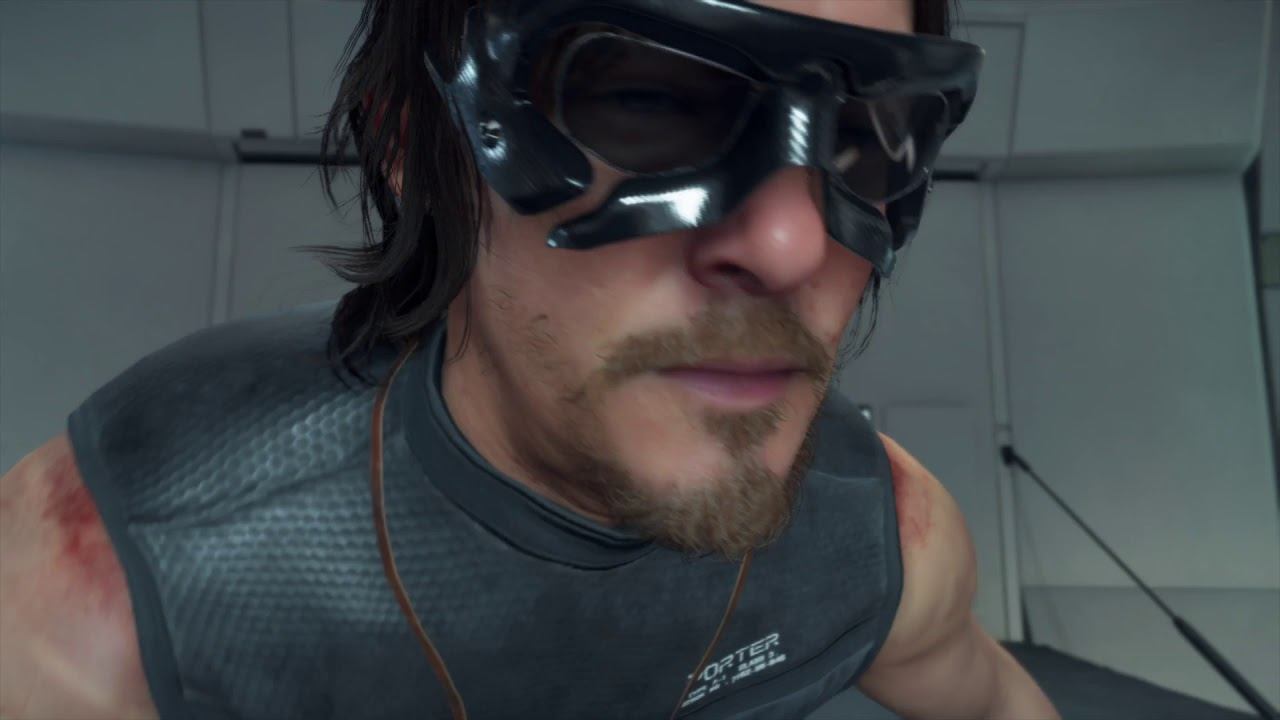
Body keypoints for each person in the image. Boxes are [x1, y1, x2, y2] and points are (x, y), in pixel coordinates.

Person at [0, 0, 1060, 718]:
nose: (790, 244)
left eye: (865, 130)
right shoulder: (120, 580)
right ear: (416, 148)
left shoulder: (881, 536)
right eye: (644, 98)